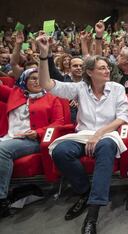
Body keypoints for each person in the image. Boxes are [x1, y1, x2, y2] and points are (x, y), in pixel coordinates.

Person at [37, 34, 128, 234]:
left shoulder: (117, 88)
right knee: (60, 152)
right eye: (102, 68)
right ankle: (85, 191)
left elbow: (122, 118)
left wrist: (99, 134)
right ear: (90, 72)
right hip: (82, 135)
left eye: (107, 67)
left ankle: (92, 214)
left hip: (107, 135)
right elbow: (46, 84)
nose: (108, 70)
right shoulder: (80, 88)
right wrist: (44, 57)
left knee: (105, 148)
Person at [0, 68, 64, 218]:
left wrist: (39, 132)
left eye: (40, 78)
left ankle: (1, 200)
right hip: (8, 137)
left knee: (2, 150)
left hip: (32, 140)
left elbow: (58, 122)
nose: (37, 81)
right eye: (33, 78)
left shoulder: (52, 98)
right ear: (24, 80)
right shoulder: (14, 94)